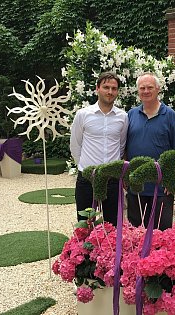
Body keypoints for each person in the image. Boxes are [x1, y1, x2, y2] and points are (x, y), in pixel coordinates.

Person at [70, 71, 129, 226]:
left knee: (113, 225)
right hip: (87, 178)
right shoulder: (83, 115)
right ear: (97, 88)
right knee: (85, 224)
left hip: (112, 180)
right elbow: (75, 144)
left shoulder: (122, 117)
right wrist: (83, 167)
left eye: (114, 88)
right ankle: (85, 251)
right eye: (106, 87)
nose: (110, 92)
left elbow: (121, 145)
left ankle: (109, 251)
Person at [126, 72, 175, 231]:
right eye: (142, 88)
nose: (146, 91)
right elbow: (124, 147)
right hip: (136, 185)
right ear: (138, 91)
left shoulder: (170, 115)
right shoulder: (131, 115)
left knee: (161, 233)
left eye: (150, 87)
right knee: (136, 232)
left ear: (158, 89)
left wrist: (172, 180)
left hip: (161, 187)